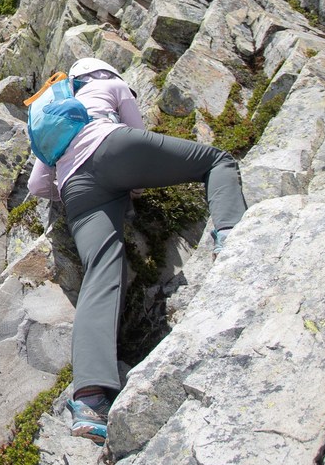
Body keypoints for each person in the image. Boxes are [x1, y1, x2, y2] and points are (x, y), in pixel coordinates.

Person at [26, 57, 247, 442]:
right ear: (106, 72)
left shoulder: (57, 116)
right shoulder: (111, 86)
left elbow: (37, 186)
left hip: (76, 188)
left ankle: (90, 399)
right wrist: (133, 183)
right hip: (115, 147)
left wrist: (79, 183)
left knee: (101, 275)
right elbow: (135, 130)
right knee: (217, 161)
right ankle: (233, 238)